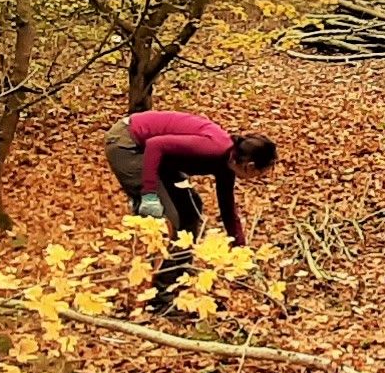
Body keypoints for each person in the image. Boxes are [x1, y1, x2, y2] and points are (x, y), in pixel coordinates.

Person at [106, 110, 276, 300]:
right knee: (171, 218)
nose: (257, 179)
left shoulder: (227, 164)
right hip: (128, 143)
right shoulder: (214, 148)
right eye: (259, 174)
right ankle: (161, 295)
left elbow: (228, 210)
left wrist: (241, 251)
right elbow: (155, 145)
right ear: (250, 166)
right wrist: (149, 194)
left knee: (191, 210)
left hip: (157, 155)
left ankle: (179, 274)